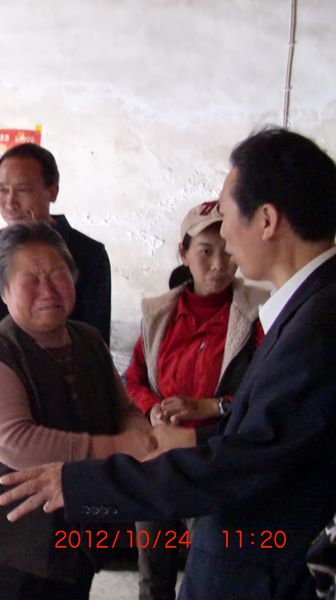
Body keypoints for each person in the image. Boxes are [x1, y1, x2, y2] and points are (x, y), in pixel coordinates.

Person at [0, 126, 336, 600]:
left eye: (227, 215)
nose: (225, 238)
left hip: (260, 569)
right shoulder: (303, 308)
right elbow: (266, 433)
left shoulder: (319, 326)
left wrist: (84, 484)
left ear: (266, 220)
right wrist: (189, 436)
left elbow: (246, 462)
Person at [0, 221, 154, 600]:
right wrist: (124, 448)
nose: (48, 290)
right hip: (0, 548)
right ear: (4, 291)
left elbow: (121, 408)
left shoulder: (89, 340)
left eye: (58, 275)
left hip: (74, 536)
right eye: (31, 279)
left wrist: (140, 432)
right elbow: (19, 443)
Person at [124, 201, 268, 600]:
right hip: (159, 461)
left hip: (216, 463)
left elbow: (267, 394)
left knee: (211, 571)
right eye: (205, 251)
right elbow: (134, 378)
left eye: (227, 251)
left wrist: (212, 406)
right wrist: (151, 406)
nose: (219, 265)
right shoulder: (159, 315)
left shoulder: (257, 315)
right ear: (183, 254)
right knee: (153, 574)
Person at [0, 143, 111, 444]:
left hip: (61, 401)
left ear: (52, 191)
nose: (10, 202)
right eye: (2, 189)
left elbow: (96, 339)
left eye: (23, 190)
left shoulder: (88, 254)